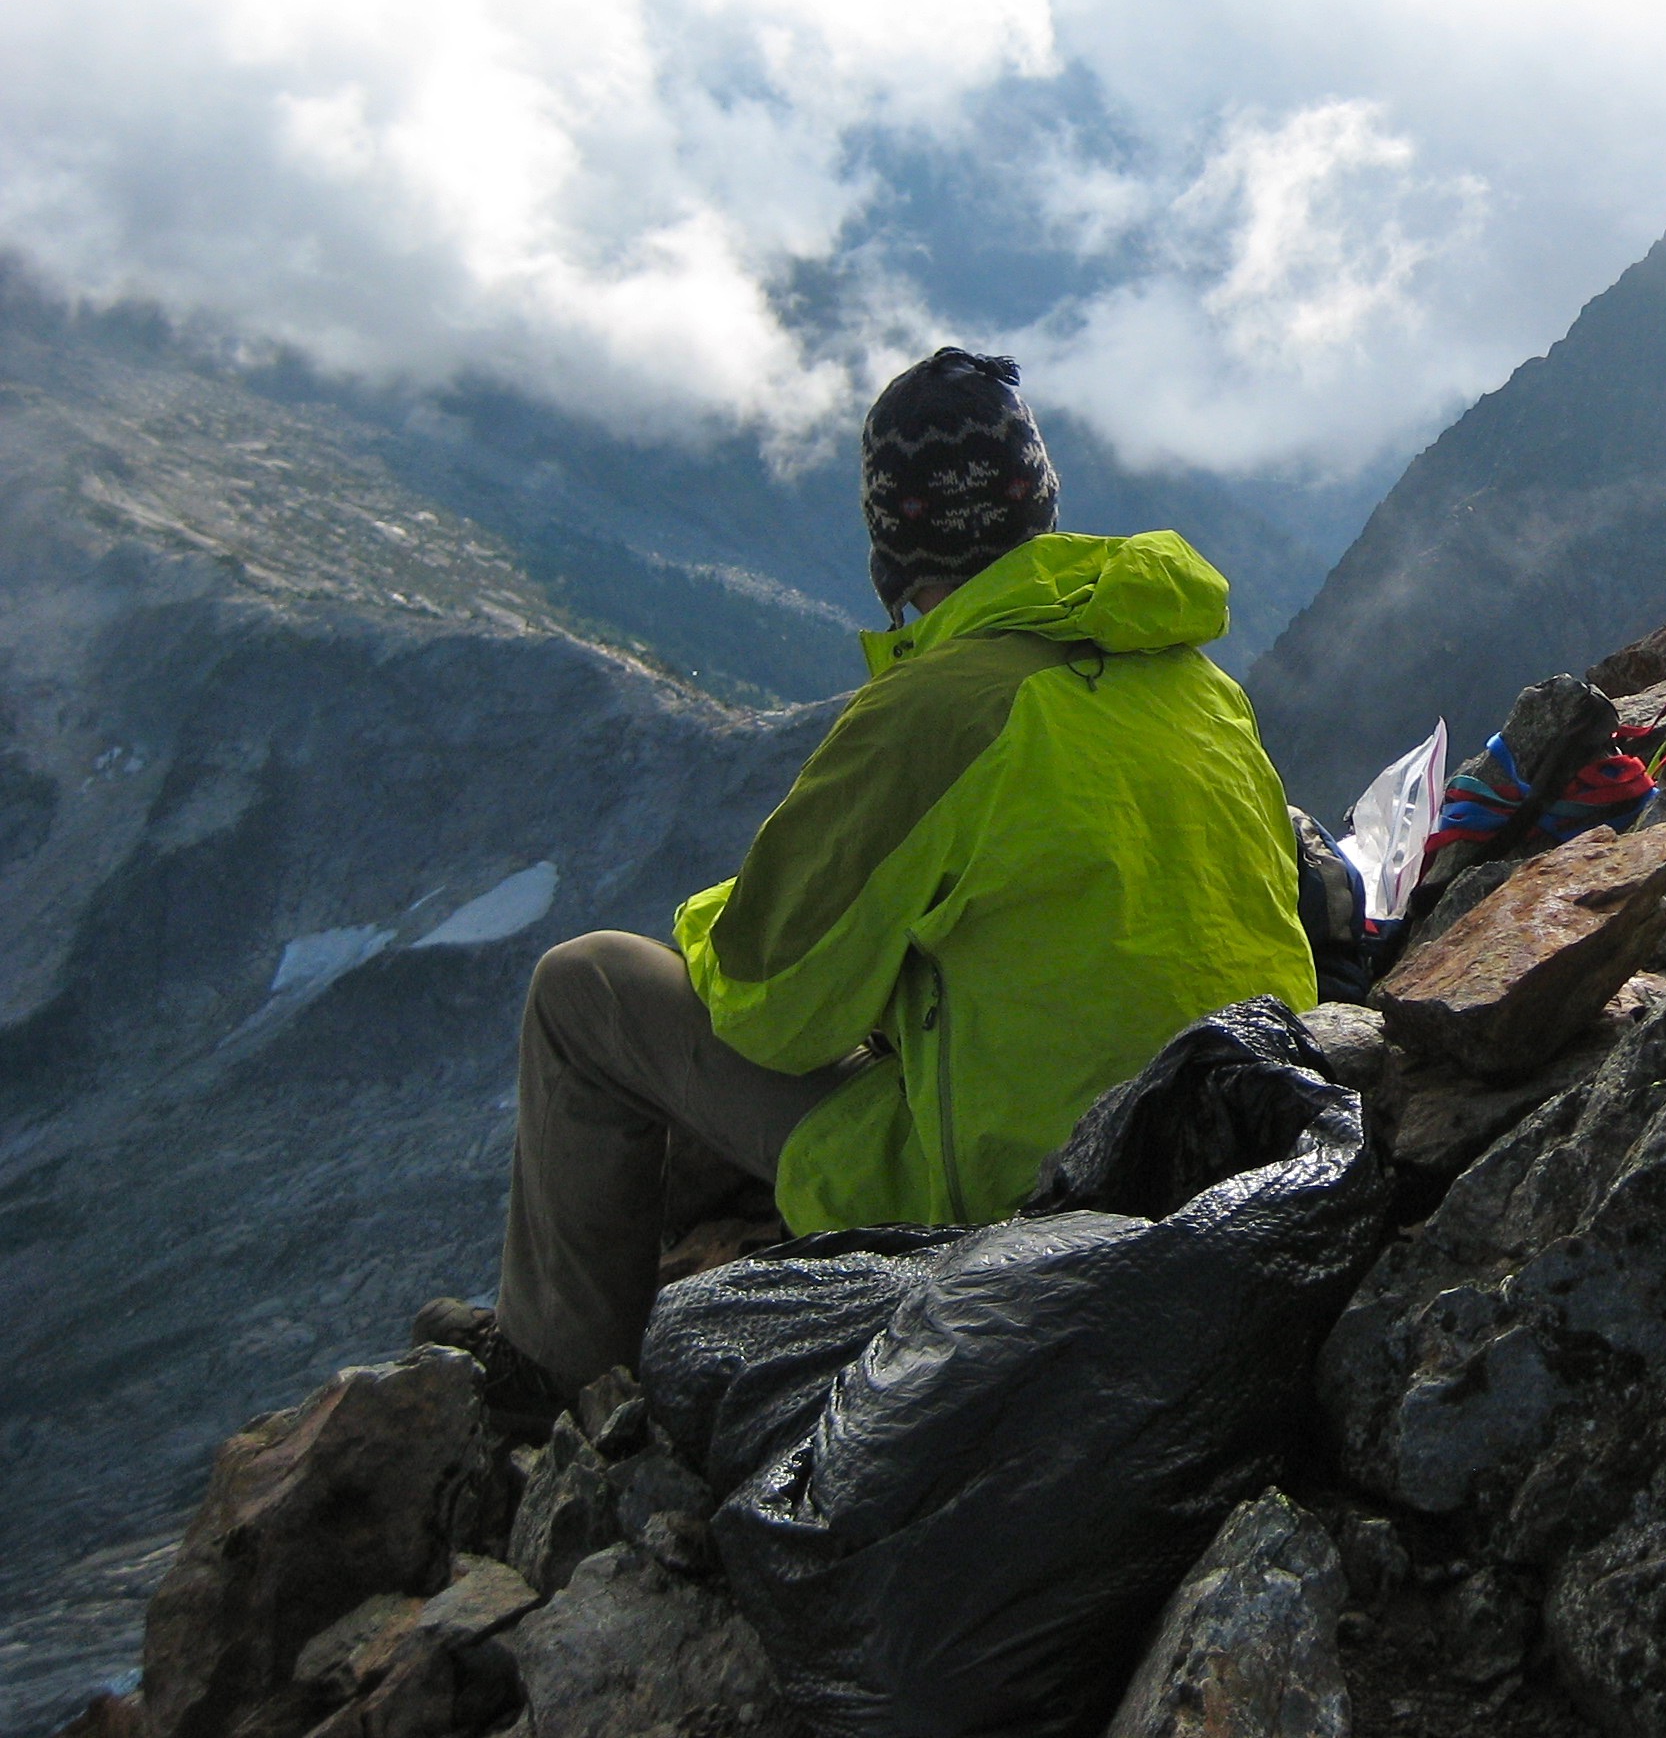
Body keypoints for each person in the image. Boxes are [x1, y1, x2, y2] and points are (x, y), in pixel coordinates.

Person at [487, 348, 1314, 1407]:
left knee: (586, 987)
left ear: (894, 543)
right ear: (1040, 504)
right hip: (1248, 1143)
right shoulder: (1193, 673)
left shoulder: (934, 714)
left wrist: (708, 925)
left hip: (1026, 1195)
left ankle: (547, 1388)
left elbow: (771, 1008)